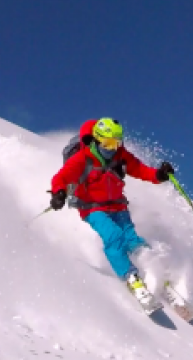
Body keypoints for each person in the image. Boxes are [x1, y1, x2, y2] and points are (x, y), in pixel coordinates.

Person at [49, 117, 175, 313]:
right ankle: (132, 278)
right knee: (114, 237)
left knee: (132, 238)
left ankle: (155, 271)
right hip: (92, 207)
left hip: (118, 206)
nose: (111, 148)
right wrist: (58, 193)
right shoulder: (82, 159)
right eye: (107, 143)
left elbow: (140, 170)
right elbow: (62, 177)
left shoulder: (121, 156)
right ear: (96, 140)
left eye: (116, 143)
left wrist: (159, 175)